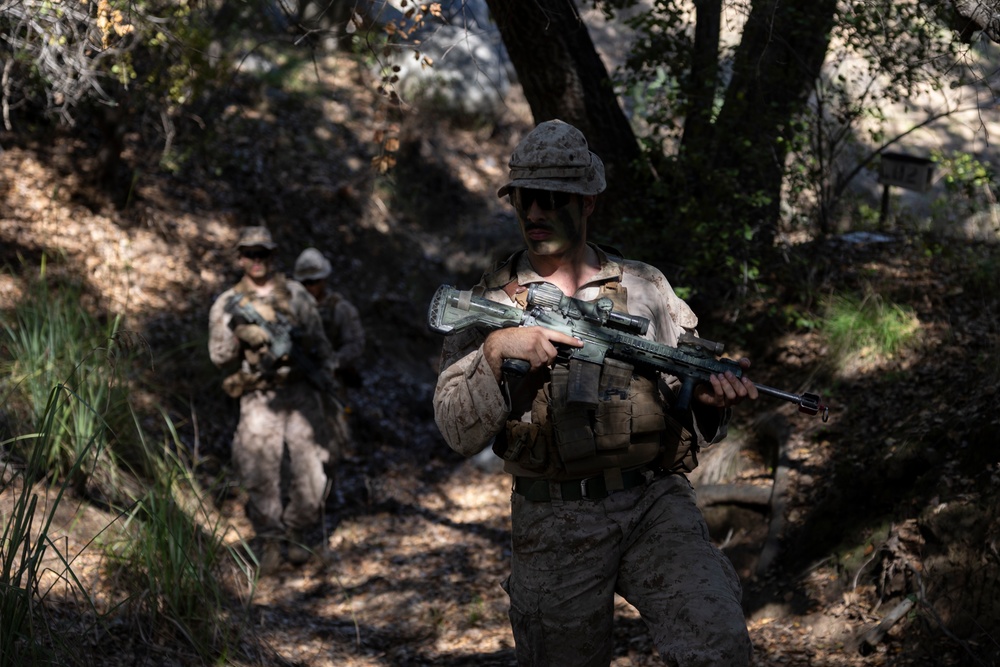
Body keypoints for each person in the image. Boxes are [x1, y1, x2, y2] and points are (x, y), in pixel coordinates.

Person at [432, 120, 760, 666]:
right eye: (524, 198)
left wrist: (707, 401)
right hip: (553, 519)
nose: (534, 213)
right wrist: (495, 352)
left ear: (588, 203)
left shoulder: (645, 287)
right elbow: (454, 428)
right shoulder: (487, 300)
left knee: (719, 644)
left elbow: (681, 382)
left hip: (654, 503)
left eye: (552, 198)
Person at [208, 227, 337, 571]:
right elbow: (219, 356)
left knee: (312, 475)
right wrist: (240, 336)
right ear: (239, 258)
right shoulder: (227, 303)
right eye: (249, 254)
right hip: (258, 395)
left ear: (272, 255)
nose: (256, 261)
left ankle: (296, 536)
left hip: (300, 393)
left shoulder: (295, 295)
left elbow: (320, 344)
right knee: (259, 473)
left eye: (262, 254)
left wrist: (326, 378)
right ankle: (271, 544)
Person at [293, 247, 366, 460]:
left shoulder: (340, 310)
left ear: (324, 279)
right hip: (298, 384)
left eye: (315, 281)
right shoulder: (292, 309)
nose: (311, 288)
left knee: (334, 443)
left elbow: (355, 344)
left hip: (330, 382)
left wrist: (332, 362)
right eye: (305, 283)